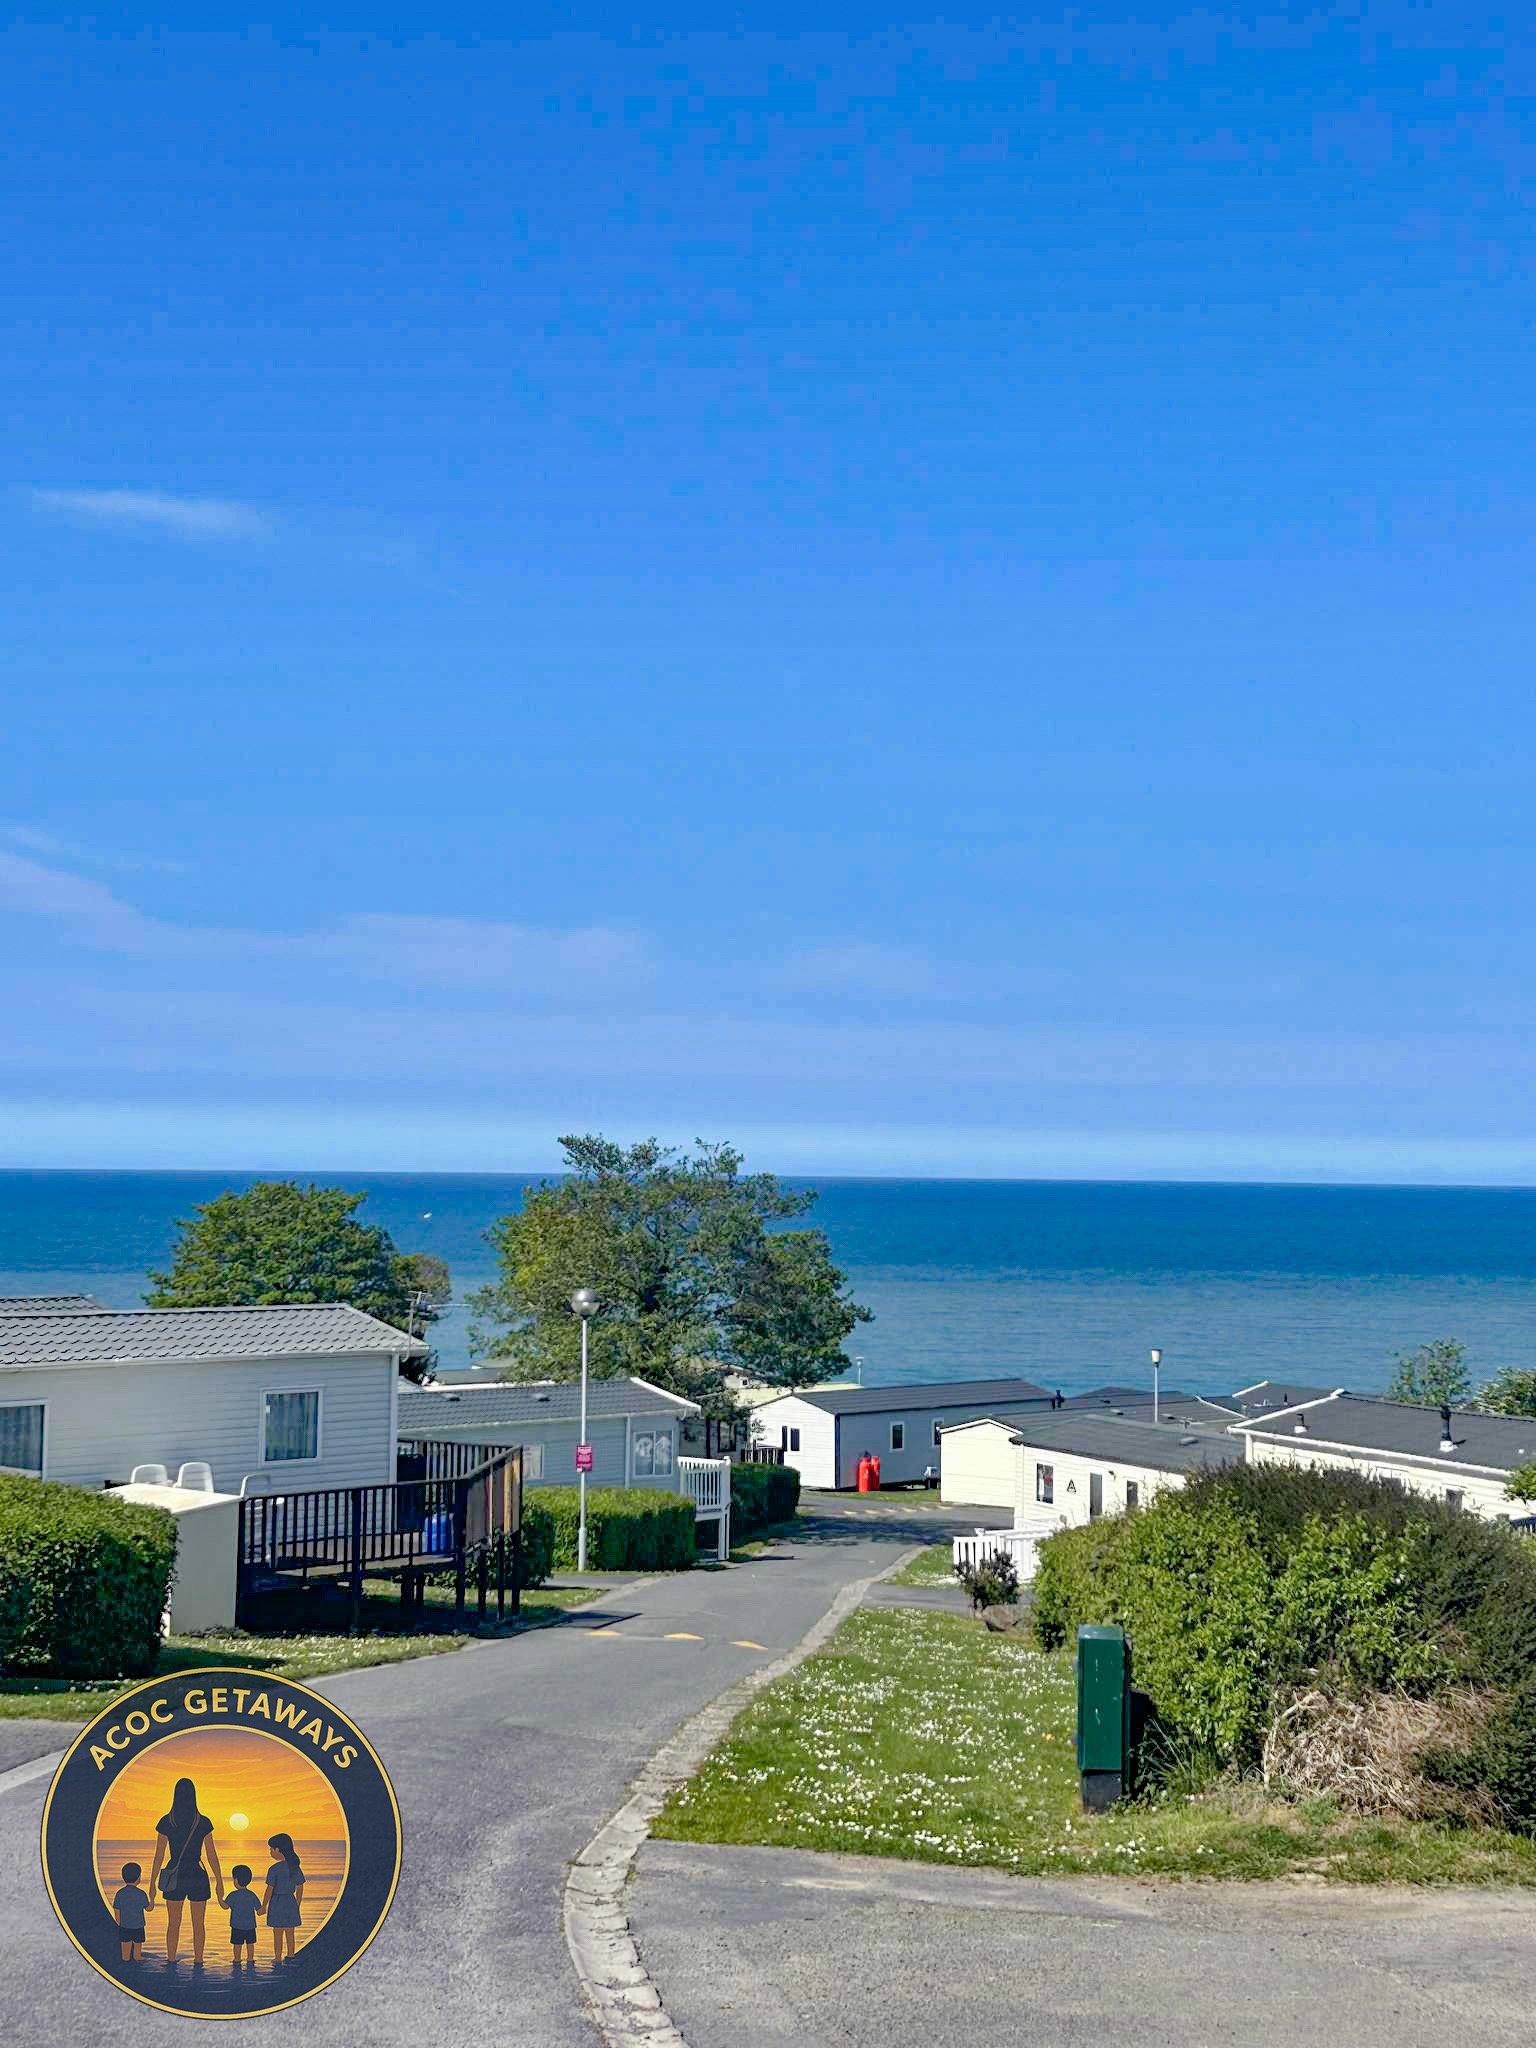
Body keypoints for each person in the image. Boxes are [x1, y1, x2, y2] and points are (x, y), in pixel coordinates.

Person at [261, 1834, 305, 1962]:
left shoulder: (274, 1869)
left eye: (271, 1849)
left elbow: (269, 1890)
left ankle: (277, 1957)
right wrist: (297, 1903)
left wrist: (264, 1905)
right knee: (290, 1932)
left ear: (278, 1850)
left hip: (277, 1903)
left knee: (278, 1933)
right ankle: (291, 1954)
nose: (270, 1852)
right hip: (290, 1902)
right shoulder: (294, 1867)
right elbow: (300, 1886)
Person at [112, 1860, 152, 1962]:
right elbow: (148, 1908)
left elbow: (117, 1911)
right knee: (137, 1948)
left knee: (125, 1952)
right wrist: (152, 1899)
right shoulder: (141, 1894)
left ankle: (126, 1960)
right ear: (138, 1878)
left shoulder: (120, 1893)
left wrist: (120, 1923)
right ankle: (137, 1957)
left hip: (125, 1926)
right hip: (138, 1926)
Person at [224, 1864, 260, 1964]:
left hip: (237, 1926)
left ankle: (237, 1959)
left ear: (235, 1880)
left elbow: (225, 1906)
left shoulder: (233, 1895)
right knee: (250, 1944)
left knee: (237, 1945)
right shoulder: (252, 1895)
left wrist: (219, 1899)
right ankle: (250, 1959)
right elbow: (259, 1909)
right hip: (250, 1926)